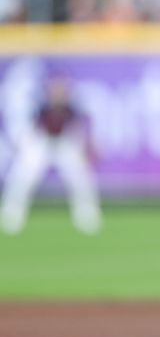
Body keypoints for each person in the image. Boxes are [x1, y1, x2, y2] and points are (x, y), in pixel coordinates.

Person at [1, 72, 102, 235]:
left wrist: (85, 148)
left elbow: (78, 129)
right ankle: (11, 216)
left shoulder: (71, 106)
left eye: (61, 87)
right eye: (55, 87)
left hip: (64, 143)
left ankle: (87, 217)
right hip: (42, 142)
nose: (58, 91)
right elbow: (31, 128)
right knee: (22, 177)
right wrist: (25, 146)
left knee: (80, 178)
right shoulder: (41, 105)